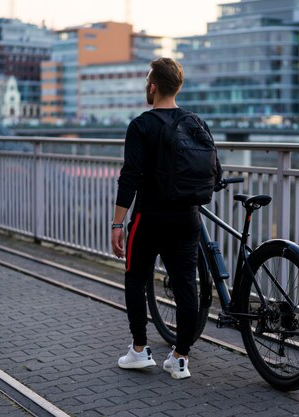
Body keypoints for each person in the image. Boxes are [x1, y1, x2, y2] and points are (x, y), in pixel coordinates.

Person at [111, 57, 220, 380]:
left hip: (150, 218)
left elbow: (129, 176)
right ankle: (180, 357)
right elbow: (216, 171)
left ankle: (140, 350)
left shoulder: (141, 125)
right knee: (187, 286)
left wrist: (118, 224)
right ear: (179, 87)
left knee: (136, 278)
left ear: (153, 86)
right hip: (189, 219)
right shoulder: (195, 122)